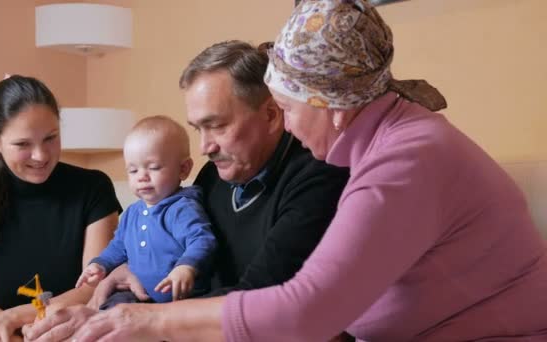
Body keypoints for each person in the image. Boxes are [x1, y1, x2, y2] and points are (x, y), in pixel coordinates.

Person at [28, 0, 547, 341]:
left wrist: (142, 319)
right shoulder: (384, 139)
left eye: (289, 110)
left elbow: (304, 310)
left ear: (333, 108)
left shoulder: (405, 159)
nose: (291, 129)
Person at [23, 40, 352, 341]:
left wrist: (140, 318)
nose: (204, 147)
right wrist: (125, 272)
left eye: (217, 125)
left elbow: (260, 299)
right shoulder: (212, 176)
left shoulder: (318, 178)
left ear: (270, 114)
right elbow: (179, 247)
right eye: (198, 128)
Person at [0, 75, 122, 342]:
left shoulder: (93, 188)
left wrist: (16, 315)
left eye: (50, 138)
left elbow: (93, 288)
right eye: (23, 144)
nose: (41, 155)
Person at [75, 115, 216, 306]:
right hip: (140, 294)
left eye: (154, 167)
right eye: (133, 171)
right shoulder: (133, 213)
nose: (142, 177)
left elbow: (201, 241)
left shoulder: (181, 208)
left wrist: (186, 267)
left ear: (183, 169)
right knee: (108, 310)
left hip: (183, 299)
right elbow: (118, 247)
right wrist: (100, 264)